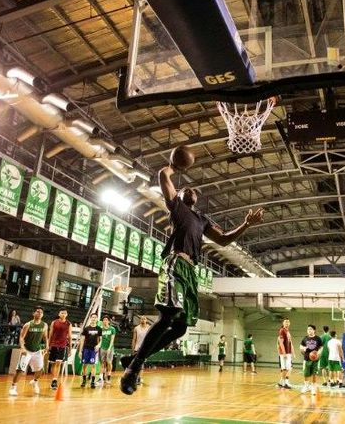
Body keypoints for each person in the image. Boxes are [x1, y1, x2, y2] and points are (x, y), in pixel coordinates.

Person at [119, 161, 264, 395]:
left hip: (190, 271)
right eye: (187, 189)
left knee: (179, 328)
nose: (192, 191)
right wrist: (173, 166)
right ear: (180, 194)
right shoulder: (177, 207)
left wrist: (246, 224)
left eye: (194, 190)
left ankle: (134, 358)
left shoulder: (202, 219)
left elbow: (225, 240)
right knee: (168, 315)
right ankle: (134, 368)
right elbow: (162, 175)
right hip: (175, 263)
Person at [9, 306, 49, 396]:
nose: (39, 313)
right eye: (37, 312)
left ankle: (35, 381)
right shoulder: (28, 324)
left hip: (37, 351)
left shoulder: (44, 325)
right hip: (27, 350)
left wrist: (47, 345)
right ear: (33, 313)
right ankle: (13, 387)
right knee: (20, 370)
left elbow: (45, 337)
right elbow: (21, 337)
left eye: (41, 312)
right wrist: (22, 348)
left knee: (40, 370)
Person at [48, 309, 72, 390]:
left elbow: (70, 337)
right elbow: (50, 334)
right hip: (54, 345)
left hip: (62, 346)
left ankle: (55, 380)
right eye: (62, 313)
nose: (63, 314)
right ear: (59, 314)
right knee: (53, 363)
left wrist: (70, 349)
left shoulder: (68, 324)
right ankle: (53, 378)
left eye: (65, 313)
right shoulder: (54, 322)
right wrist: (48, 345)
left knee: (58, 363)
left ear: (67, 314)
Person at [79, 314, 102, 389]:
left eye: (95, 317)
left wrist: (98, 345)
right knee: (85, 365)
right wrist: (80, 350)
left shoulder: (99, 328)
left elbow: (101, 340)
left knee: (93, 365)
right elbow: (82, 339)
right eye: (92, 317)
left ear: (97, 319)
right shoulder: (86, 328)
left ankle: (92, 381)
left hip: (94, 350)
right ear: (90, 318)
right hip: (86, 349)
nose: (94, 319)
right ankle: (84, 380)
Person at [299, 324, 323, 395]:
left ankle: (313, 387)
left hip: (315, 359)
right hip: (306, 358)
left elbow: (321, 347)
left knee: (314, 373)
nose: (309, 330)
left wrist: (318, 353)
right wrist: (303, 348)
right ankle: (306, 386)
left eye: (310, 329)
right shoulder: (305, 338)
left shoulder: (318, 338)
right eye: (308, 329)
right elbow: (300, 346)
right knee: (306, 373)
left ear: (314, 330)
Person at [131, 316, 150, 385]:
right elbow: (134, 339)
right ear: (140, 320)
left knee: (141, 364)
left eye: (144, 319)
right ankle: (135, 378)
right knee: (136, 364)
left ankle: (139, 378)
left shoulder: (149, 328)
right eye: (141, 319)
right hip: (137, 348)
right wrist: (133, 349)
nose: (143, 320)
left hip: (144, 349)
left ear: (146, 320)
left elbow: (149, 339)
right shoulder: (136, 328)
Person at [99, 316, 117, 387]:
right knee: (102, 363)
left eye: (106, 320)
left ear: (109, 321)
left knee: (109, 362)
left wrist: (109, 348)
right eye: (104, 320)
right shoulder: (101, 329)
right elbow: (100, 339)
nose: (105, 321)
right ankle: (101, 378)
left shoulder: (112, 329)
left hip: (110, 348)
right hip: (102, 347)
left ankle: (108, 377)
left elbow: (112, 340)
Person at [277, 318, 293, 389]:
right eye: (285, 322)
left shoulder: (287, 331)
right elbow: (280, 343)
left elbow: (290, 343)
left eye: (288, 322)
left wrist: (292, 352)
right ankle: (284, 383)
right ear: (283, 323)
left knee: (287, 368)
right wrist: (284, 353)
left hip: (288, 352)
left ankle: (281, 382)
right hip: (285, 353)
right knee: (285, 369)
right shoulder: (282, 330)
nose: (287, 323)